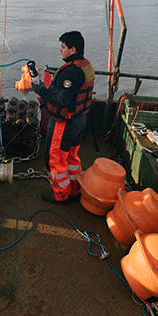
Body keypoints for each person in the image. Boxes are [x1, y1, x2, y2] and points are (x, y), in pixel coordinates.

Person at [30, 31, 95, 203]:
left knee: (56, 158)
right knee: (71, 156)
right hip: (80, 120)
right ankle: (74, 189)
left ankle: (61, 194)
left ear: (73, 49)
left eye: (63, 47)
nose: (61, 50)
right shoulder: (86, 65)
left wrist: (40, 89)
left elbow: (62, 100)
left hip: (65, 122)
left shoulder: (70, 72)